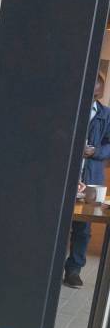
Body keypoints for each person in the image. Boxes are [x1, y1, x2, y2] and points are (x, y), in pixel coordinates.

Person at [64, 74, 110, 288]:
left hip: (91, 177)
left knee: (83, 228)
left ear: (100, 93)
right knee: (59, 223)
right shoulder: (70, 109)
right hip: (66, 176)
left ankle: (74, 270)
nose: (91, 98)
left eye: (95, 95)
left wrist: (95, 152)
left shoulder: (105, 115)